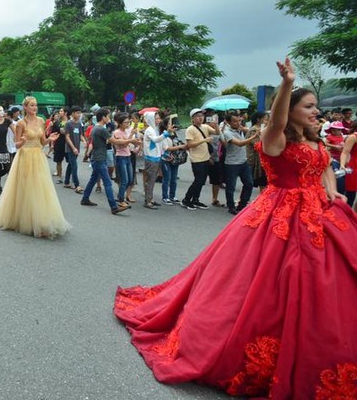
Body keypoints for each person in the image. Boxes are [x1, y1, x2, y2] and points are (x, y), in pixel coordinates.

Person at [114, 59, 357, 398]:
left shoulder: (317, 140)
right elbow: (278, 122)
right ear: (291, 110)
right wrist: (287, 84)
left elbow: (324, 169)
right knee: (265, 283)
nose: (316, 111)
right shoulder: (276, 140)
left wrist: (330, 190)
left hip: (321, 214)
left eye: (317, 105)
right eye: (309, 106)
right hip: (279, 215)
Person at [0, 96, 71, 238]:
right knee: (26, 189)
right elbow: (15, 145)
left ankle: (41, 221)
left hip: (38, 157)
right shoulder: (20, 124)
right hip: (24, 157)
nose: (34, 107)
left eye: (35, 105)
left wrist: (50, 139)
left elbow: (42, 141)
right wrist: (22, 141)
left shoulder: (41, 121)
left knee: (40, 189)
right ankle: (24, 220)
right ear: (25, 107)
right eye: (31, 105)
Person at [80, 109, 130, 215]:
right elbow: (115, 141)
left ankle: (85, 198)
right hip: (99, 159)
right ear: (103, 117)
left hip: (96, 158)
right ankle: (114, 207)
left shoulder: (96, 128)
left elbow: (104, 141)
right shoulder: (101, 129)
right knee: (107, 182)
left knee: (93, 179)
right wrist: (130, 140)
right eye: (108, 116)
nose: (109, 118)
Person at [178, 108, 217, 210]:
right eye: (198, 116)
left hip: (205, 158)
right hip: (196, 159)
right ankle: (186, 200)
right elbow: (189, 144)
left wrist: (216, 125)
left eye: (202, 116)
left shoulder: (205, 126)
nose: (200, 118)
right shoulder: (190, 129)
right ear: (193, 118)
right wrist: (204, 140)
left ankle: (195, 199)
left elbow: (217, 133)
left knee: (202, 180)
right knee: (198, 181)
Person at [221, 113, 259, 214]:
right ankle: (231, 206)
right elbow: (240, 143)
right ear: (228, 122)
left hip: (243, 161)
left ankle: (242, 204)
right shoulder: (227, 133)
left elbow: (247, 132)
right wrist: (254, 136)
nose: (238, 123)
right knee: (231, 186)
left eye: (239, 121)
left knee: (249, 183)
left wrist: (250, 131)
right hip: (232, 163)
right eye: (235, 121)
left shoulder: (240, 130)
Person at [62, 106, 84, 193]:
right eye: (77, 113)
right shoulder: (68, 123)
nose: (79, 115)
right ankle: (77, 185)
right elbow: (67, 137)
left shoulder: (79, 123)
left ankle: (67, 182)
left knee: (71, 165)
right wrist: (73, 148)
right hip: (71, 148)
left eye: (80, 113)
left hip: (77, 147)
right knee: (74, 166)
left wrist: (85, 142)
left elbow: (80, 135)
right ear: (73, 113)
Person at [341, 125, 357, 210]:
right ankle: (348, 216)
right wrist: (342, 165)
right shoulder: (353, 137)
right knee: (351, 194)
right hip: (354, 167)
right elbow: (345, 152)